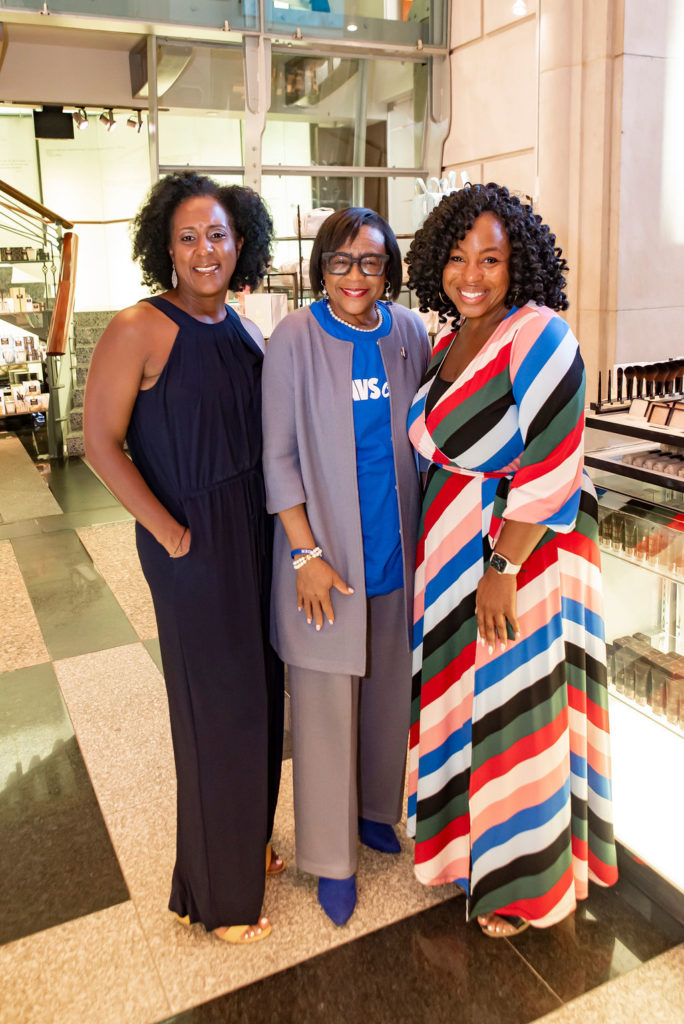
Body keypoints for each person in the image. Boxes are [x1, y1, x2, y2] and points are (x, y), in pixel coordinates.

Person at [405, 182, 618, 938]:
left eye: (491, 259)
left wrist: (502, 569)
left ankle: (520, 887)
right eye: (458, 258)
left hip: (510, 563)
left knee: (514, 713)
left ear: (518, 263)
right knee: (467, 710)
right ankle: (468, 853)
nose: (472, 274)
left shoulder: (540, 334)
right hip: (451, 567)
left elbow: (556, 459)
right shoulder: (445, 341)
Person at [84, 172, 284, 944]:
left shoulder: (239, 323)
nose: (207, 250)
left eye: (220, 235)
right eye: (190, 236)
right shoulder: (141, 326)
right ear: (165, 246)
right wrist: (168, 532)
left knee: (263, 694)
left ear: (242, 244)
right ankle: (216, 898)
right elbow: (98, 445)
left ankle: (247, 843)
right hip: (193, 537)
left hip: (253, 529)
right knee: (215, 712)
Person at [262, 207, 431, 926]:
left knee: (389, 695)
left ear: (388, 268)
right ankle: (331, 860)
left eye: (370, 262)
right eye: (340, 261)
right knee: (328, 708)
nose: (355, 276)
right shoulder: (295, 338)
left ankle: (371, 815)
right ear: (319, 268)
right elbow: (278, 455)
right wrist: (303, 552)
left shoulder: (407, 332)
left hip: (398, 547)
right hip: (325, 558)